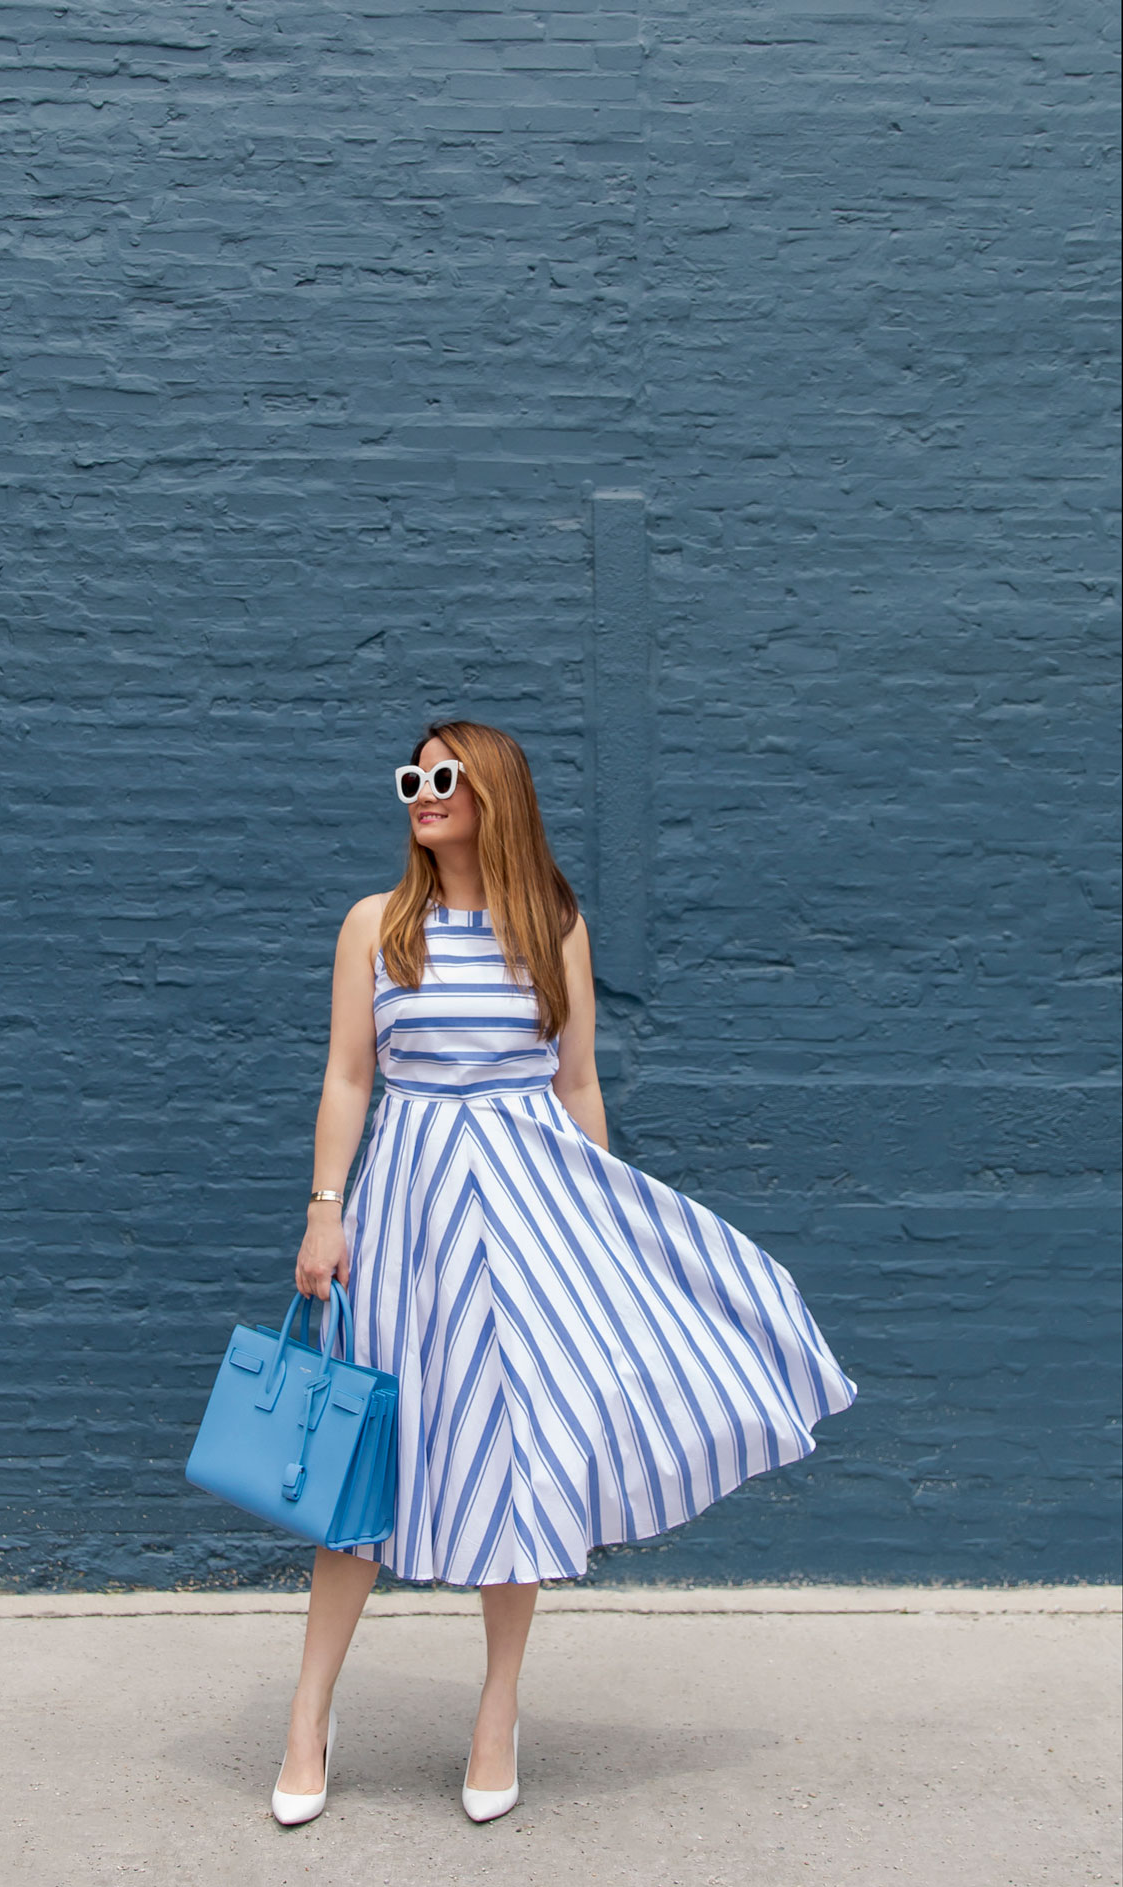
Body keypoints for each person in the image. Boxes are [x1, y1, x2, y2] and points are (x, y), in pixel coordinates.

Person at [271, 718, 857, 1826]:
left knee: (522, 1444)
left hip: (534, 1199)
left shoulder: (552, 923)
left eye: (443, 777)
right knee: (363, 1452)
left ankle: (497, 1710)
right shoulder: (375, 924)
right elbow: (348, 1077)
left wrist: (601, 1214)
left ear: (494, 791)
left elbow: (576, 1081)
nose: (422, 795)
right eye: (411, 779)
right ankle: (309, 1713)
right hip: (406, 1203)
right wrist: (324, 1209)